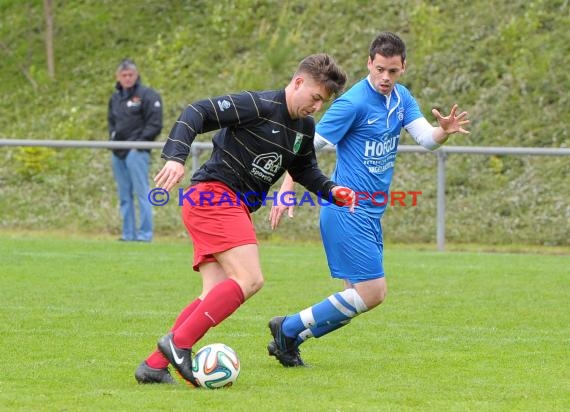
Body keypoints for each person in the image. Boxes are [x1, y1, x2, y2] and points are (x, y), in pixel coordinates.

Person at [134, 53, 355, 385]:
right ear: (298, 83)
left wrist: (333, 191)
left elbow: (305, 170)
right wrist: (176, 157)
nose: (316, 107)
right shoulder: (260, 105)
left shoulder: (304, 128)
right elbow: (197, 111)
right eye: (315, 97)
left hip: (229, 205)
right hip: (214, 196)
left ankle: (153, 366)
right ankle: (178, 344)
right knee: (250, 278)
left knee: (215, 293)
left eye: (322, 102)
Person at [266, 31, 470, 367]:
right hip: (347, 209)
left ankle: (289, 339)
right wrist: (286, 188)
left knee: (354, 299)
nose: (385, 78)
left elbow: (425, 139)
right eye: (380, 70)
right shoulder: (353, 103)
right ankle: (288, 328)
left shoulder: (401, 99)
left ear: (403, 67)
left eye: (393, 71)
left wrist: (443, 132)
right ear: (369, 65)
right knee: (372, 293)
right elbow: (305, 146)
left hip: (371, 213)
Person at [108, 58, 163, 242]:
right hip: (118, 151)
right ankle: (128, 234)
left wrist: (139, 144)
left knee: (142, 192)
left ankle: (145, 234)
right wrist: (113, 141)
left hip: (137, 151)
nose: (127, 78)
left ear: (136, 75)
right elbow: (111, 122)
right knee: (124, 195)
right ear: (118, 77)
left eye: (130, 74)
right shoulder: (115, 98)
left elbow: (155, 124)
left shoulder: (148, 95)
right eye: (124, 75)